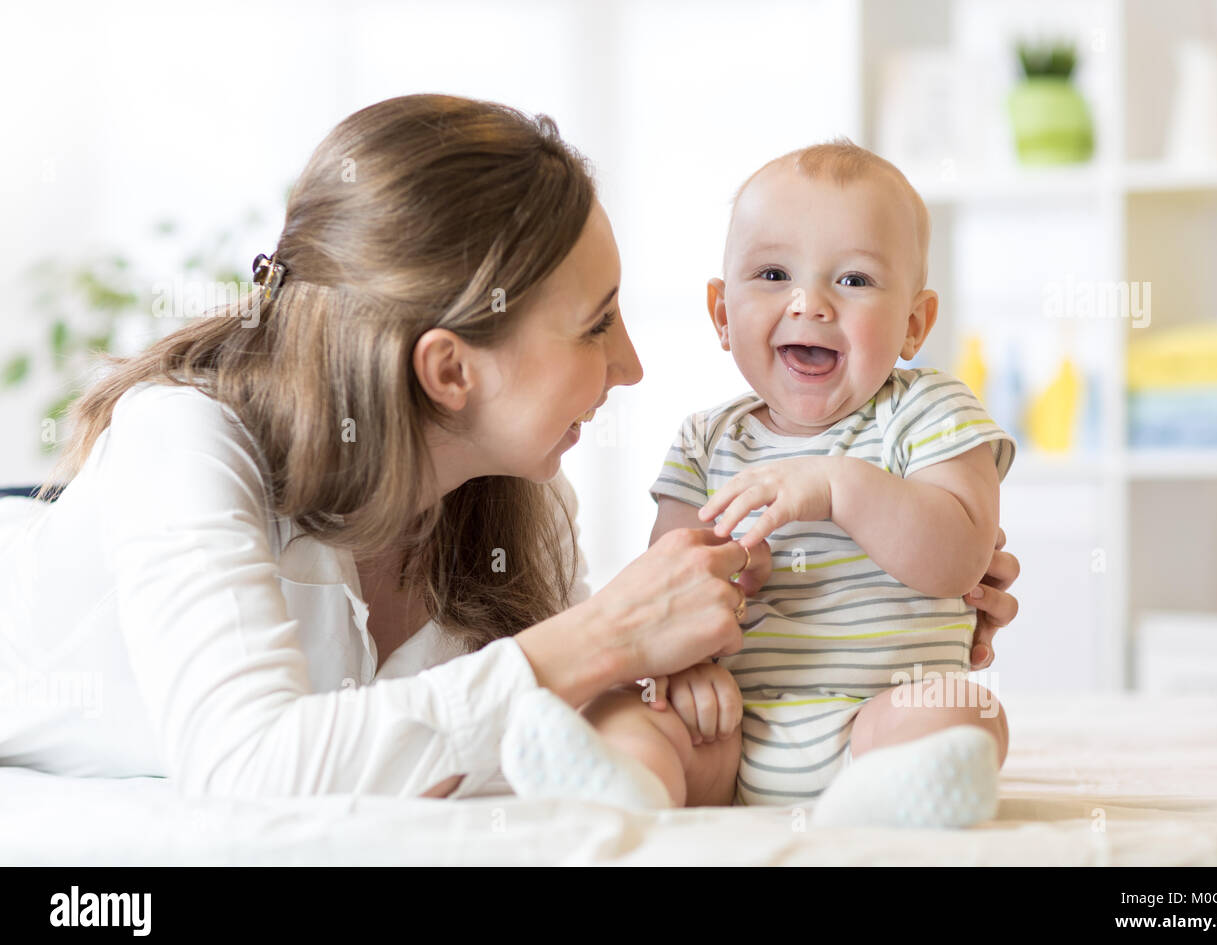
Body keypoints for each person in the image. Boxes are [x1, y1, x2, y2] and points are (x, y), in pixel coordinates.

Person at [0, 95, 1021, 804]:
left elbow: (506, 724)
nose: (630, 366)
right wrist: (610, 642)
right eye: (595, 324)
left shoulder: (493, 504)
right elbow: (250, 764)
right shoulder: (180, 439)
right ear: (450, 371)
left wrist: (879, 597)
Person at [500, 140, 1018, 828]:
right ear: (721, 313)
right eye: (773, 273)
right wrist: (685, 664)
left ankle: (890, 796)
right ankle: (626, 785)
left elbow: (962, 558)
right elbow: (669, 584)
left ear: (915, 323)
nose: (810, 304)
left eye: (855, 281)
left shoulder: (929, 413)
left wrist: (839, 487)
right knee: (628, 710)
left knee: (966, 711)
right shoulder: (705, 441)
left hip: (884, 711)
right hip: (731, 727)